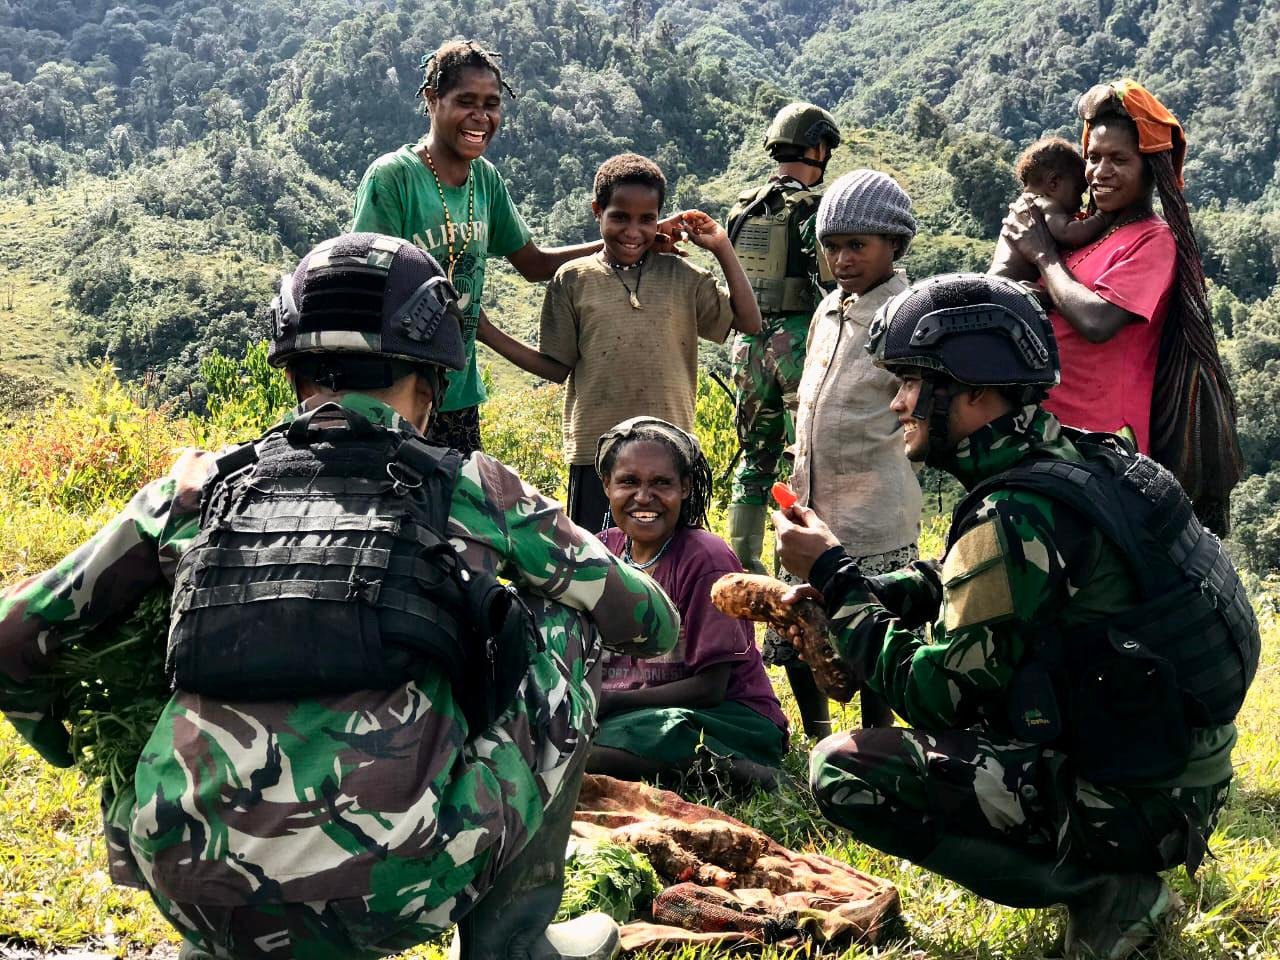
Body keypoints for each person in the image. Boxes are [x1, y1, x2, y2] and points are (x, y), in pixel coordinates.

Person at [0, 233, 681, 960]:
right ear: (432, 382)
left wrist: (75, 748)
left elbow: (14, 636)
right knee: (565, 624)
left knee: (130, 630)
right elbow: (648, 622)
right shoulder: (469, 487)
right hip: (396, 892)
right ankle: (512, 945)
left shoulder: (199, 489)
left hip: (188, 887)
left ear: (294, 375)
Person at [774, 273, 1259, 960]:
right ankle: (1107, 870)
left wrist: (832, 574)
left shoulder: (1016, 510)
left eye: (912, 382)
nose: (898, 402)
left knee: (844, 770)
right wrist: (882, 592)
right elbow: (983, 587)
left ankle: (1104, 893)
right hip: (1171, 777)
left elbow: (935, 696)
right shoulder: (1084, 457)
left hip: (1132, 802)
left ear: (973, 391)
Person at [350, 39, 688, 456]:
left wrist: (627, 240)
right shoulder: (394, 178)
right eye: (466, 101)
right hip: (393, 392)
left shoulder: (485, 180)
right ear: (432, 99)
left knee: (458, 515)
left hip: (458, 392)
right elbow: (364, 286)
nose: (481, 116)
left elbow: (533, 263)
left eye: (491, 104)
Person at [995, 79, 1241, 532]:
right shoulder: (1080, 229)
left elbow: (1097, 320)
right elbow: (1003, 292)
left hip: (1100, 449)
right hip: (1040, 436)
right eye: (1093, 157)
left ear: (1151, 169)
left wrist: (1044, 255)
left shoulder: (1153, 240)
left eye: (1119, 160)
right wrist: (1017, 251)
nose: (1100, 172)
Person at [489, 153, 762, 531]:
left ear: (658, 219)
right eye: (619, 216)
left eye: (647, 219)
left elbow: (749, 321)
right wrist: (487, 332)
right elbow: (555, 367)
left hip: (672, 453)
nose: (633, 231)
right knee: (599, 570)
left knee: (672, 571)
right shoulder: (573, 279)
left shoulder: (682, 276)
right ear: (597, 212)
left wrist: (720, 246)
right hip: (597, 459)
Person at [767, 169, 920, 737]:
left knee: (871, 634)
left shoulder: (906, 315)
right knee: (803, 628)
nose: (843, 258)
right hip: (810, 505)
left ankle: (877, 741)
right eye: (832, 246)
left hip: (873, 512)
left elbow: (916, 406)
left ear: (895, 245)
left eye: (858, 245)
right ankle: (820, 735)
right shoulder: (827, 311)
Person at [586, 416, 789, 791]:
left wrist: (610, 702)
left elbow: (711, 688)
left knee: (594, 754)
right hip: (633, 712)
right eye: (628, 482)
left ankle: (744, 771)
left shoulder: (705, 558)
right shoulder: (599, 551)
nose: (644, 497)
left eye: (661, 483)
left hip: (723, 717)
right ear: (606, 486)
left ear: (685, 487)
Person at [724, 102, 841, 575]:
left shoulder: (744, 205)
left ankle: (745, 568)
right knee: (801, 460)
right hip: (796, 342)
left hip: (745, 343)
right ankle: (799, 570)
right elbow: (832, 279)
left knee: (754, 458)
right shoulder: (816, 206)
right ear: (817, 148)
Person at [988, 136, 1110, 280]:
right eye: (1077, 191)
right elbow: (1068, 233)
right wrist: (1102, 217)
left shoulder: (1023, 204)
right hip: (1008, 284)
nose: (1079, 202)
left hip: (997, 279)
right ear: (1054, 183)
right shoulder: (1044, 203)